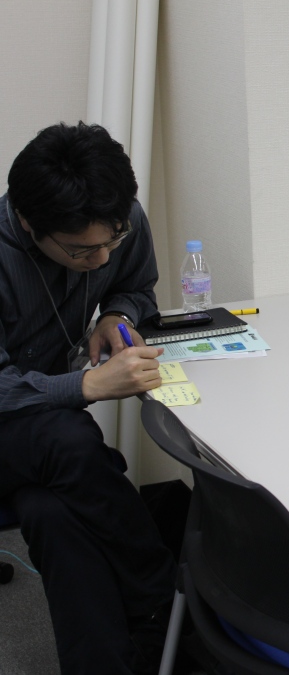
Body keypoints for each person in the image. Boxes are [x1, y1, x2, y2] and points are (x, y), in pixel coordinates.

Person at [0, 123, 175, 674]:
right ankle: (158, 587)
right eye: (81, 251)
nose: (101, 259)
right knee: (70, 437)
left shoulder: (118, 222)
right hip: (21, 422)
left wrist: (117, 315)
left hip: (42, 432)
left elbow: (135, 285)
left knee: (48, 510)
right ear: (30, 224)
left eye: (112, 241)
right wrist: (87, 385)